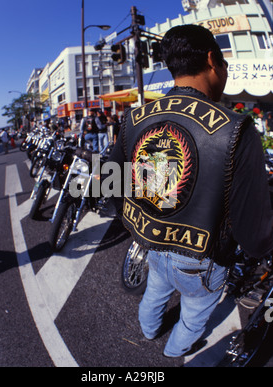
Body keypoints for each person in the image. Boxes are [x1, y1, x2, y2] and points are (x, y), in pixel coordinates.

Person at [107, 24, 273, 359]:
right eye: (224, 63)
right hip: (203, 258)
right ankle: (174, 351)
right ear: (213, 60)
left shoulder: (134, 118)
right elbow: (254, 238)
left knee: (155, 290)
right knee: (195, 313)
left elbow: (110, 184)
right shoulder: (236, 129)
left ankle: (149, 329)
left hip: (152, 241)